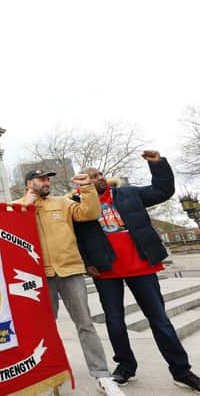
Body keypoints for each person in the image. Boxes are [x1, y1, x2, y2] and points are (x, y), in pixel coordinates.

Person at [79, 151, 200, 391]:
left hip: (142, 266)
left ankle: (181, 371)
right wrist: (85, 262)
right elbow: (74, 237)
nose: (99, 177)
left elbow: (162, 190)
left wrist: (158, 164)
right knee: (115, 322)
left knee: (160, 320)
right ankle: (125, 367)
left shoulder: (129, 194)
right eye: (93, 176)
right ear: (84, 181)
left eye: (100, 174)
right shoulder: (79, 206)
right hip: (106, 271)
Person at [15, 169, 124, 396]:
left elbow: (90, 212)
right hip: (39, 276)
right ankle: (48, 375)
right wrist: (28, 204)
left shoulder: (62, 202)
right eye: (41, 179)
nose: (47, 183)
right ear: (29, 183)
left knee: (85, 324)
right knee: (44, 329)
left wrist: (86, 187)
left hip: (70, 271)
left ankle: (102, 376)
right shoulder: (16, 206)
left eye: (48, 179)